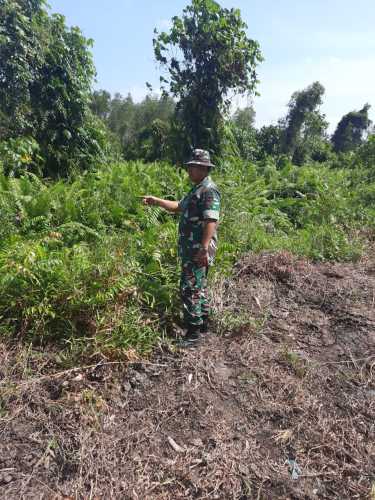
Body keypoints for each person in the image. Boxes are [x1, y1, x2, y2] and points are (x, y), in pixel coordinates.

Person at [142, 149, 221, 347]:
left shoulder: (208, 190)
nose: (188, 171)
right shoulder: (197, 189)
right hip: (192, 247)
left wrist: (203, 247)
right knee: (198, 285)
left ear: (203, 168)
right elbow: (178, 206)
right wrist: (157, 201)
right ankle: (202, 324)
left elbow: (212, 220)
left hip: (197, 248)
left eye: (192, 167)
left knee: (190, 287)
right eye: (189, 167)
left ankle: (193, 333)